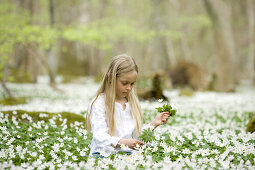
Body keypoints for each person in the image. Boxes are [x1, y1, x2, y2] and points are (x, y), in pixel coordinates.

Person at [86, 54, 170, 157]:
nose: (129, 88)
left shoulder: (131, 103)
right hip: (102, 155)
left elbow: (135, 138)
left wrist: (153, 124)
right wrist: (123, 142)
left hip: (128, 156)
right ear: (110, 78)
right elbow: (99, 137)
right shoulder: (99, 103)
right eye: (124, 83)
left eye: (132, 84)